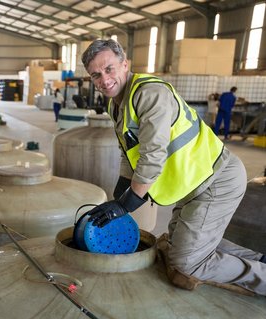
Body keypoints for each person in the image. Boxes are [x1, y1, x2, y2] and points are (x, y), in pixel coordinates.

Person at [80, 39, 266, 296]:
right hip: (191, 184)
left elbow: (152, 156)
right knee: (177, 243)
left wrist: (126, 204)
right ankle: (261, 259)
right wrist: (118, 196)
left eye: (109, 69)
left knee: (186, 263)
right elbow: (129, 154)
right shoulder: (117, 105)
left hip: (216, 180)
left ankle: (262, 277)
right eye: (96, 75)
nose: (104, 79)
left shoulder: (149, 93)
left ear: (125, 64)